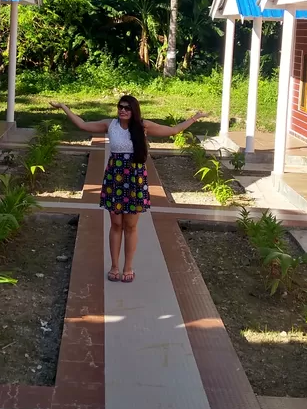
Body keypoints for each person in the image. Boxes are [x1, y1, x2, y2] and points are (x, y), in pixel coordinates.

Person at [50, 97, 204, 283]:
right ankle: (114, 266)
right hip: (115, 178)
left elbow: (172, 130)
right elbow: (83, 125)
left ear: (134, 111)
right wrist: (64, 107)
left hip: (134, 179)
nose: (122, 111)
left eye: (127, 108)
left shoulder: (142, 126)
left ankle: (128, 267)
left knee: (130, 226)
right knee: (116, 224)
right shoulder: (110, 125)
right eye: (120, 107)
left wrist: (195, 118)